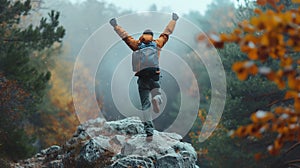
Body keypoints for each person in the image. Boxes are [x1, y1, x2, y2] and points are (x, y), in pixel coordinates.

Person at [109, 13, 179, 137]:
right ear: (152, 36)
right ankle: (157, 97)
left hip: (142, 78)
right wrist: (173, 20)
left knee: (146, 105)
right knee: (157, 93)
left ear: (142, 36)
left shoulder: (137, 45)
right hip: (154, 76)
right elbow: (166, 33)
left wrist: (115, 26)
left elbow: (125, 36)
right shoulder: (157, 44)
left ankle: (149, 130)